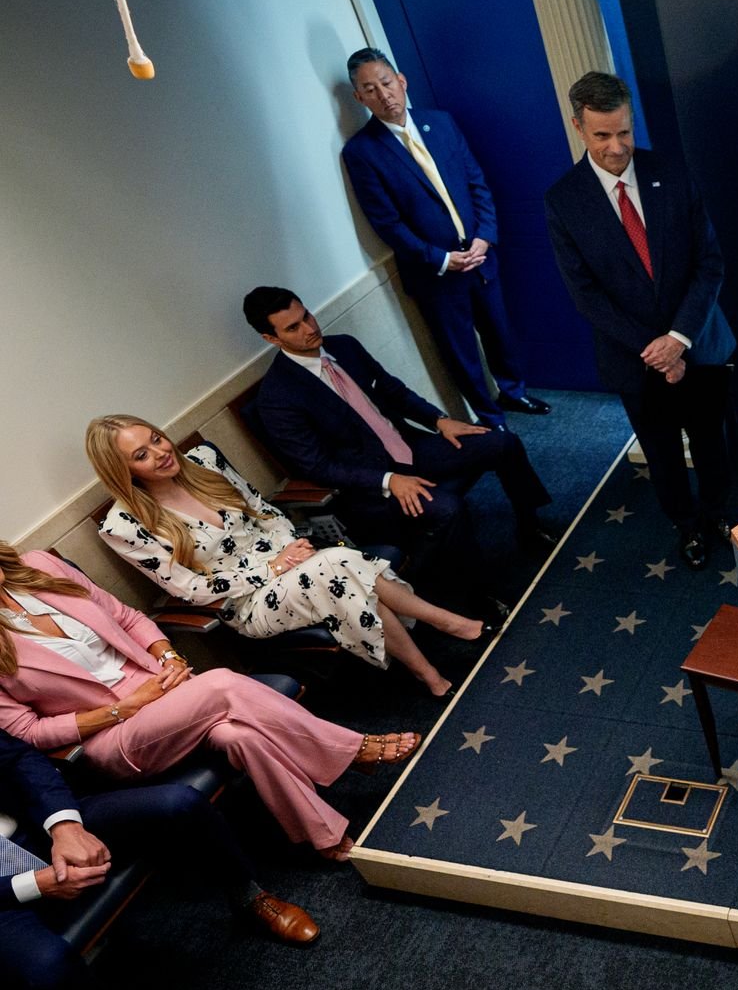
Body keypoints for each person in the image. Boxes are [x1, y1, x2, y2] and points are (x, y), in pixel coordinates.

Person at [0, 542, 418, 862]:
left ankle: (321, 834)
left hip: (169, 688)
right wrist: (122, 709)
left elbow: (127, 617)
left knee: (237, 734)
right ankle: (351, 748)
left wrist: (168, 656)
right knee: (221, 685)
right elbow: (27, 732)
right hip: (113, 737)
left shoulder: (40, 565)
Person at [88, 415, 482, 696]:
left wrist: (290, 549)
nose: (159, 452)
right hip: (248, 602)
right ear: (123, 471)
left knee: (334, 568)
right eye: (140, 455)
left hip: (296, 562)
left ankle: (428, 673)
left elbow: (263, 511)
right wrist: (274, 567)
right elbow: (190, 588)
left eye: (156, 439)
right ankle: (443, 623)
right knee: (335, 564)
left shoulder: (204, 463)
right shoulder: (124, 526)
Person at [544, 71, 734, 569]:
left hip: (700, 344)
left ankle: (718, 513)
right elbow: (586, 295)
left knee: (713, 440)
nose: (615, 147)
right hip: (633, 359)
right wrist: (656, 350)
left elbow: (709, 263)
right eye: (602, 135)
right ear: (578, 128)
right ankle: (687, 526)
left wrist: (678, 338)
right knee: (663, 453)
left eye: (624, 132)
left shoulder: (670, 173)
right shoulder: (564, 200)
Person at [244, 286, 555, 562]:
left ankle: (530, 527)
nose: (309, 328)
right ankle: (477, 597)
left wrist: (439, 420)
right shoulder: (278, 395)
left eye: (307, 316)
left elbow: (394, 391)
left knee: (503, 442)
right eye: (293, 327)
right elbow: (317, 466)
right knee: (448, 509)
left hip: (410, 447)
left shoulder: (344, 347)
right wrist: (387, 479)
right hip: (369, 481)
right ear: (271, 338)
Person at [0, 727, 320, 989]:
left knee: (179, 803)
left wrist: (64, 825)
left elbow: (19, 759)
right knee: (48, 966)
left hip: (30, 827)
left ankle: (249, 897)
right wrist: (33, 884)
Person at [339, 47, 549, 428]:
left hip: (482, 258)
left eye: (386, 83)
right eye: (370, 90)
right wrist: (440, 258)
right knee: (461, 352)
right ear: (359, 98)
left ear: (401, 81)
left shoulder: (442, 123)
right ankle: (490, 417)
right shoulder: (361, 152)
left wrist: (485, 236)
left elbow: (477, 183)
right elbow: (387, 223)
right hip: (435, 272)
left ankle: (513, 392)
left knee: (500, 333)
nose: (383, 95)